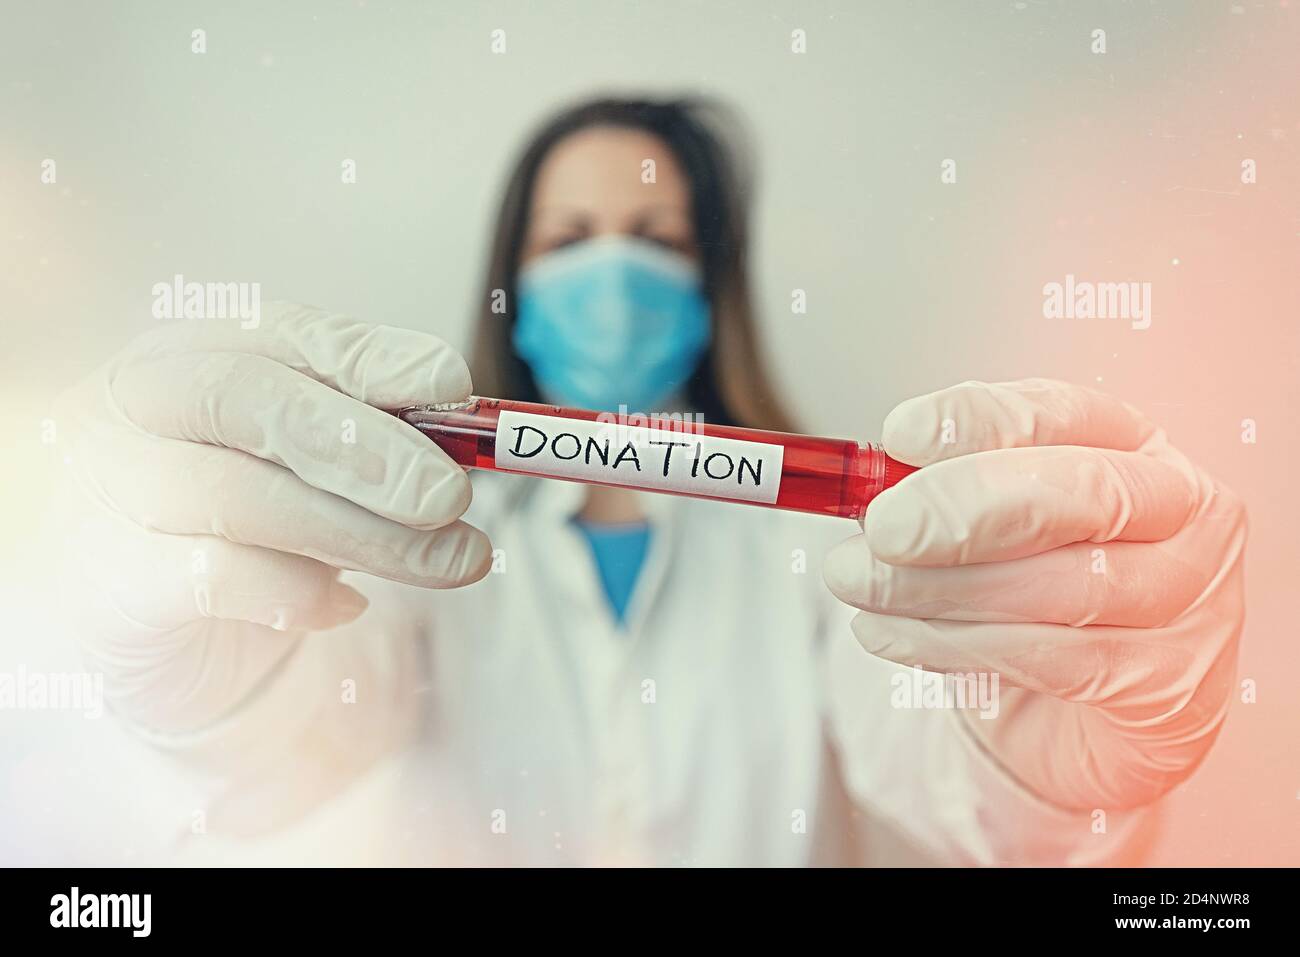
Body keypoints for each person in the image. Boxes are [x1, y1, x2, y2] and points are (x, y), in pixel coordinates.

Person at [54, 96, 1247, 866]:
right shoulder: (411, 528)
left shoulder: (825, 550)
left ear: (712, 283)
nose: (613, 268)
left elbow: (957, 786)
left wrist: (1060, 768)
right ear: (511, 275)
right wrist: (198, 674)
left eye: (660, 236)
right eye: (569, 239)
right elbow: (284, 760)